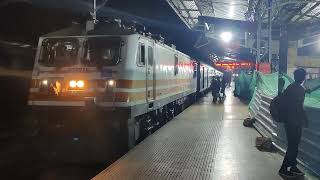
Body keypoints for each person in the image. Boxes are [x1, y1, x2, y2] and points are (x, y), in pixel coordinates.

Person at [278, 68, 308, 178]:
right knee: (293, 146)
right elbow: (300, 107)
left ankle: (293, 166)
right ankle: (284, 168)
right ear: (303, 77)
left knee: (293, 146)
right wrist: (305, 119)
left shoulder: (290, 87)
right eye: (304, 76)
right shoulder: (299, 89)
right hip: (294, 122)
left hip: (289, 121)